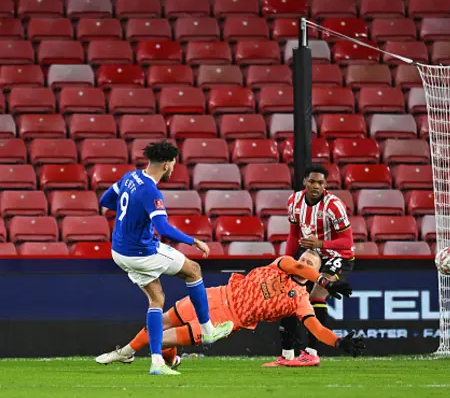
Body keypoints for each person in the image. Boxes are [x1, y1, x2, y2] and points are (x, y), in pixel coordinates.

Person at [95, 250, 365, 371]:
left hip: (225, 320)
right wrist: (323, 279)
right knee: (158, 321)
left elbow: (316, 328)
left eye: (310, 261)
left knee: (161, 338)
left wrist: (338, 341)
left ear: (316, 267)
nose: (303, 261)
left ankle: (129, 353)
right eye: (303, 257)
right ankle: (145, 357)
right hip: (214, 295)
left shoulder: (301, 301)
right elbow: (297, 268)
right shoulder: (282, 263)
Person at [98, 140, 231, 375]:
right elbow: (164, 228)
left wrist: (129, 220)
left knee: (156, 300)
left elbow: (105, 201)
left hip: (119, 252)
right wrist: (195, 241)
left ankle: (157, 363)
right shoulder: (151, 191)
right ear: (168, 164)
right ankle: (208, 329)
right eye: (174, 164)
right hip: (141, 251)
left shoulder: (131, 177)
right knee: (194, 270)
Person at [263, 164, 355, 368]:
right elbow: (294, 235)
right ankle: (287, 355)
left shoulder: (334, 206)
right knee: (289, 296)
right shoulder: (294, 201)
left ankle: (312, 353)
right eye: (312, 181)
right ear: (304, 182)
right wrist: (286, 263)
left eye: (320, 183)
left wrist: (321, 244)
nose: (316, 186)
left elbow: (347, 242)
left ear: (325, 185)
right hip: (310, 254)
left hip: (337, 255)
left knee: (317, 296)